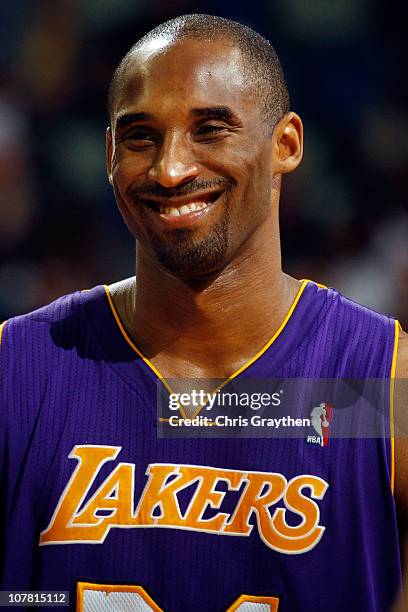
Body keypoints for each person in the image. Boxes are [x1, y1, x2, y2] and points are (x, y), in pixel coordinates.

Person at [1, 13, 407, 612]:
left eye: (210, 130)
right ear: (109, 153)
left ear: (286, 145)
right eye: (141, 136)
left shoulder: (376, 386)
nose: (170, 169)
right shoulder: (21, 371)